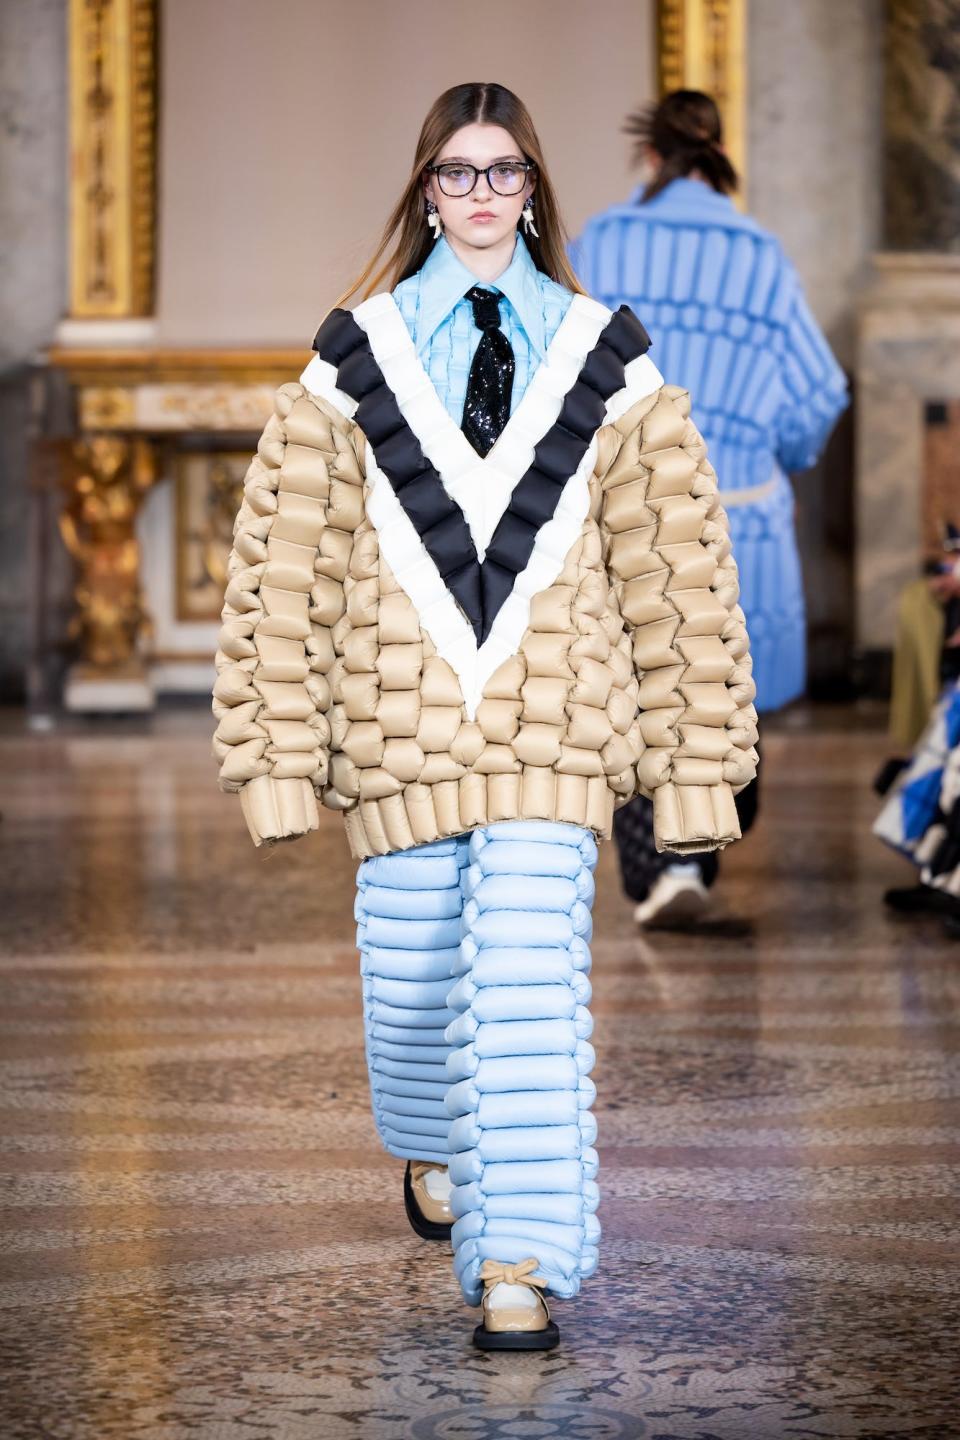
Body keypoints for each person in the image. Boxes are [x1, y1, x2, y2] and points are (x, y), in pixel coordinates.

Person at [211, 82, 757, 1350]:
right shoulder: (352, 358)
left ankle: (519, 1264)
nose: (479, 194)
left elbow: (675, 567)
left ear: (532, 189)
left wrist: (695, 769)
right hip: (396, 737)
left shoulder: (606, 356)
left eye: (502, 172)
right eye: (456, 173)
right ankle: (430, 1143)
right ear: (424, 191)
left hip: (555, 736)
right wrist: (275, 757)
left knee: (524, 990)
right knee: (410, 989)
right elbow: (285, 559)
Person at [570, 89, 848, 928]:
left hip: (631, 514)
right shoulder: (762, 255)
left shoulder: (604, 242)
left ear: (648, 157)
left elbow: (559, 378)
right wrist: (777, 455)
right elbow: (820, 390)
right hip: (739, 516)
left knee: (639, 696)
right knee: (725, 698)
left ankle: (665, 873)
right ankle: (692, 862)